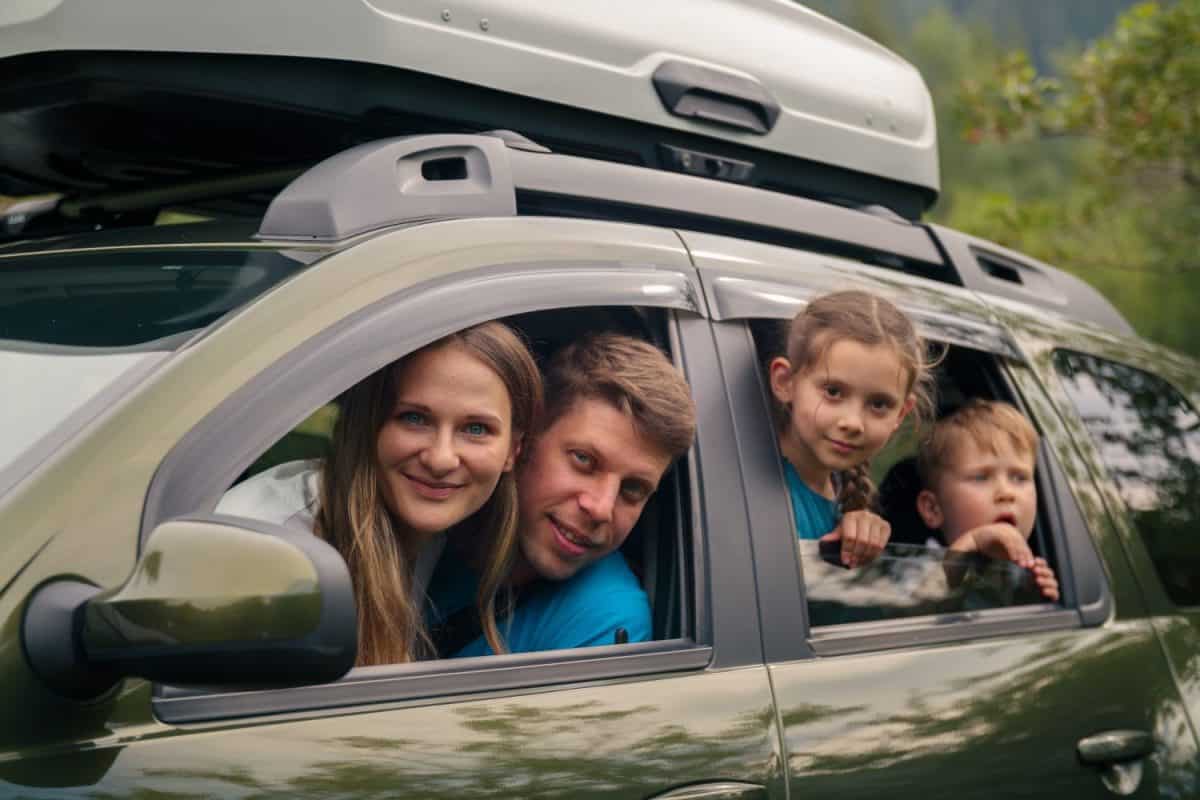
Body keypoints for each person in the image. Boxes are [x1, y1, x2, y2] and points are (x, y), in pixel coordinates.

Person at [217, 321, 543, 665]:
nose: (441, 458)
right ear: (371, 424)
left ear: (513, 450)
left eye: (476, 429)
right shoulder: (273, 552)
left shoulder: (426, 526)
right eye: (414, 418)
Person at [427, 332, 697, 657]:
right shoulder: (432, 517)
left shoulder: (607, 618)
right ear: (523, 440)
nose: (600, 508)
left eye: (632, 489)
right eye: (584, 460)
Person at [767, 290, 937, 567]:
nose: (853, 422)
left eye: (879, 404)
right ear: (786, 382)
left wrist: (860, 532)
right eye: (833, 391)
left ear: (901, 413)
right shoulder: (755, 495)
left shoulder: (841, 492)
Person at [915, 399, 1059, 601]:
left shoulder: (1021, 572)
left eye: (1019, 477)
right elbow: (920, 605)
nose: (1006, 493)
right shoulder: (919, 563)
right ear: (933, 509)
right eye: (981, 477)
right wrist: (971, 542)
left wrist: (1033, 597)